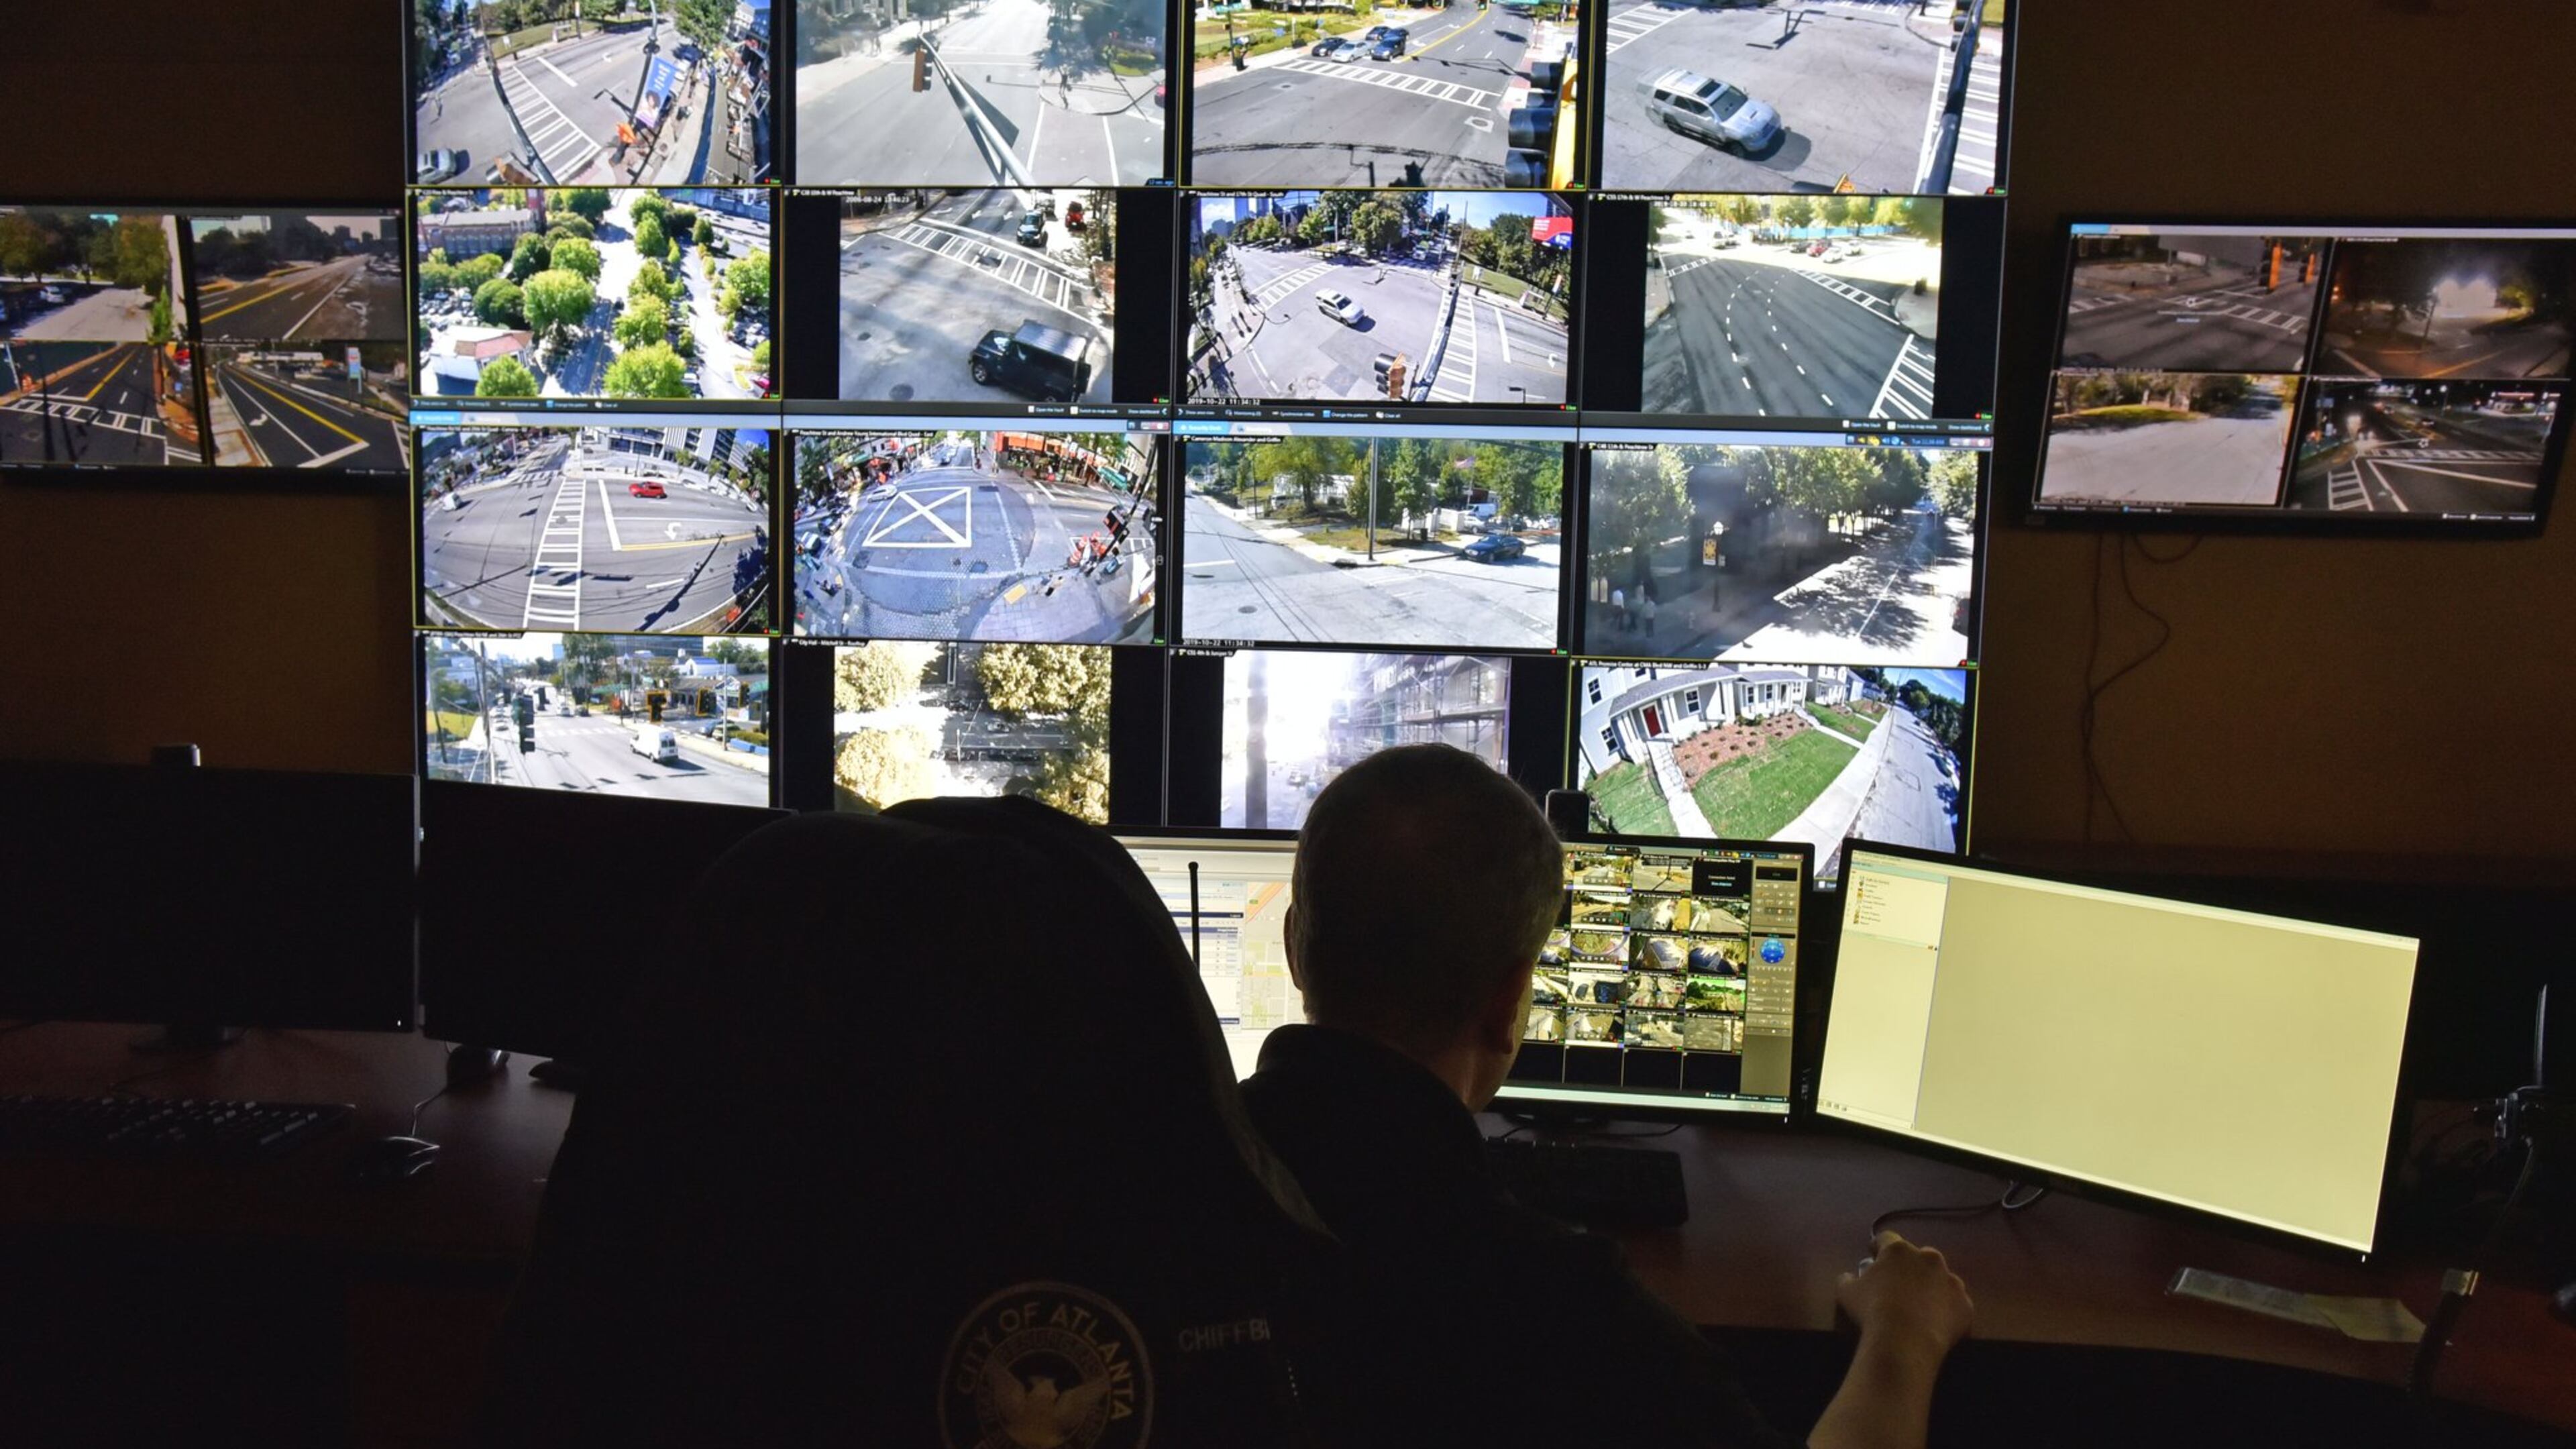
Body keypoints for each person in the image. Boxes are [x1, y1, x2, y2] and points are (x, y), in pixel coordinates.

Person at [1242, 744, 1974, 1449]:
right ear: (1508, 1005)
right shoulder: (1559, 1307)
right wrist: (1903, 1337)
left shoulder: (1179, 1178)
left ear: (1295, 947)